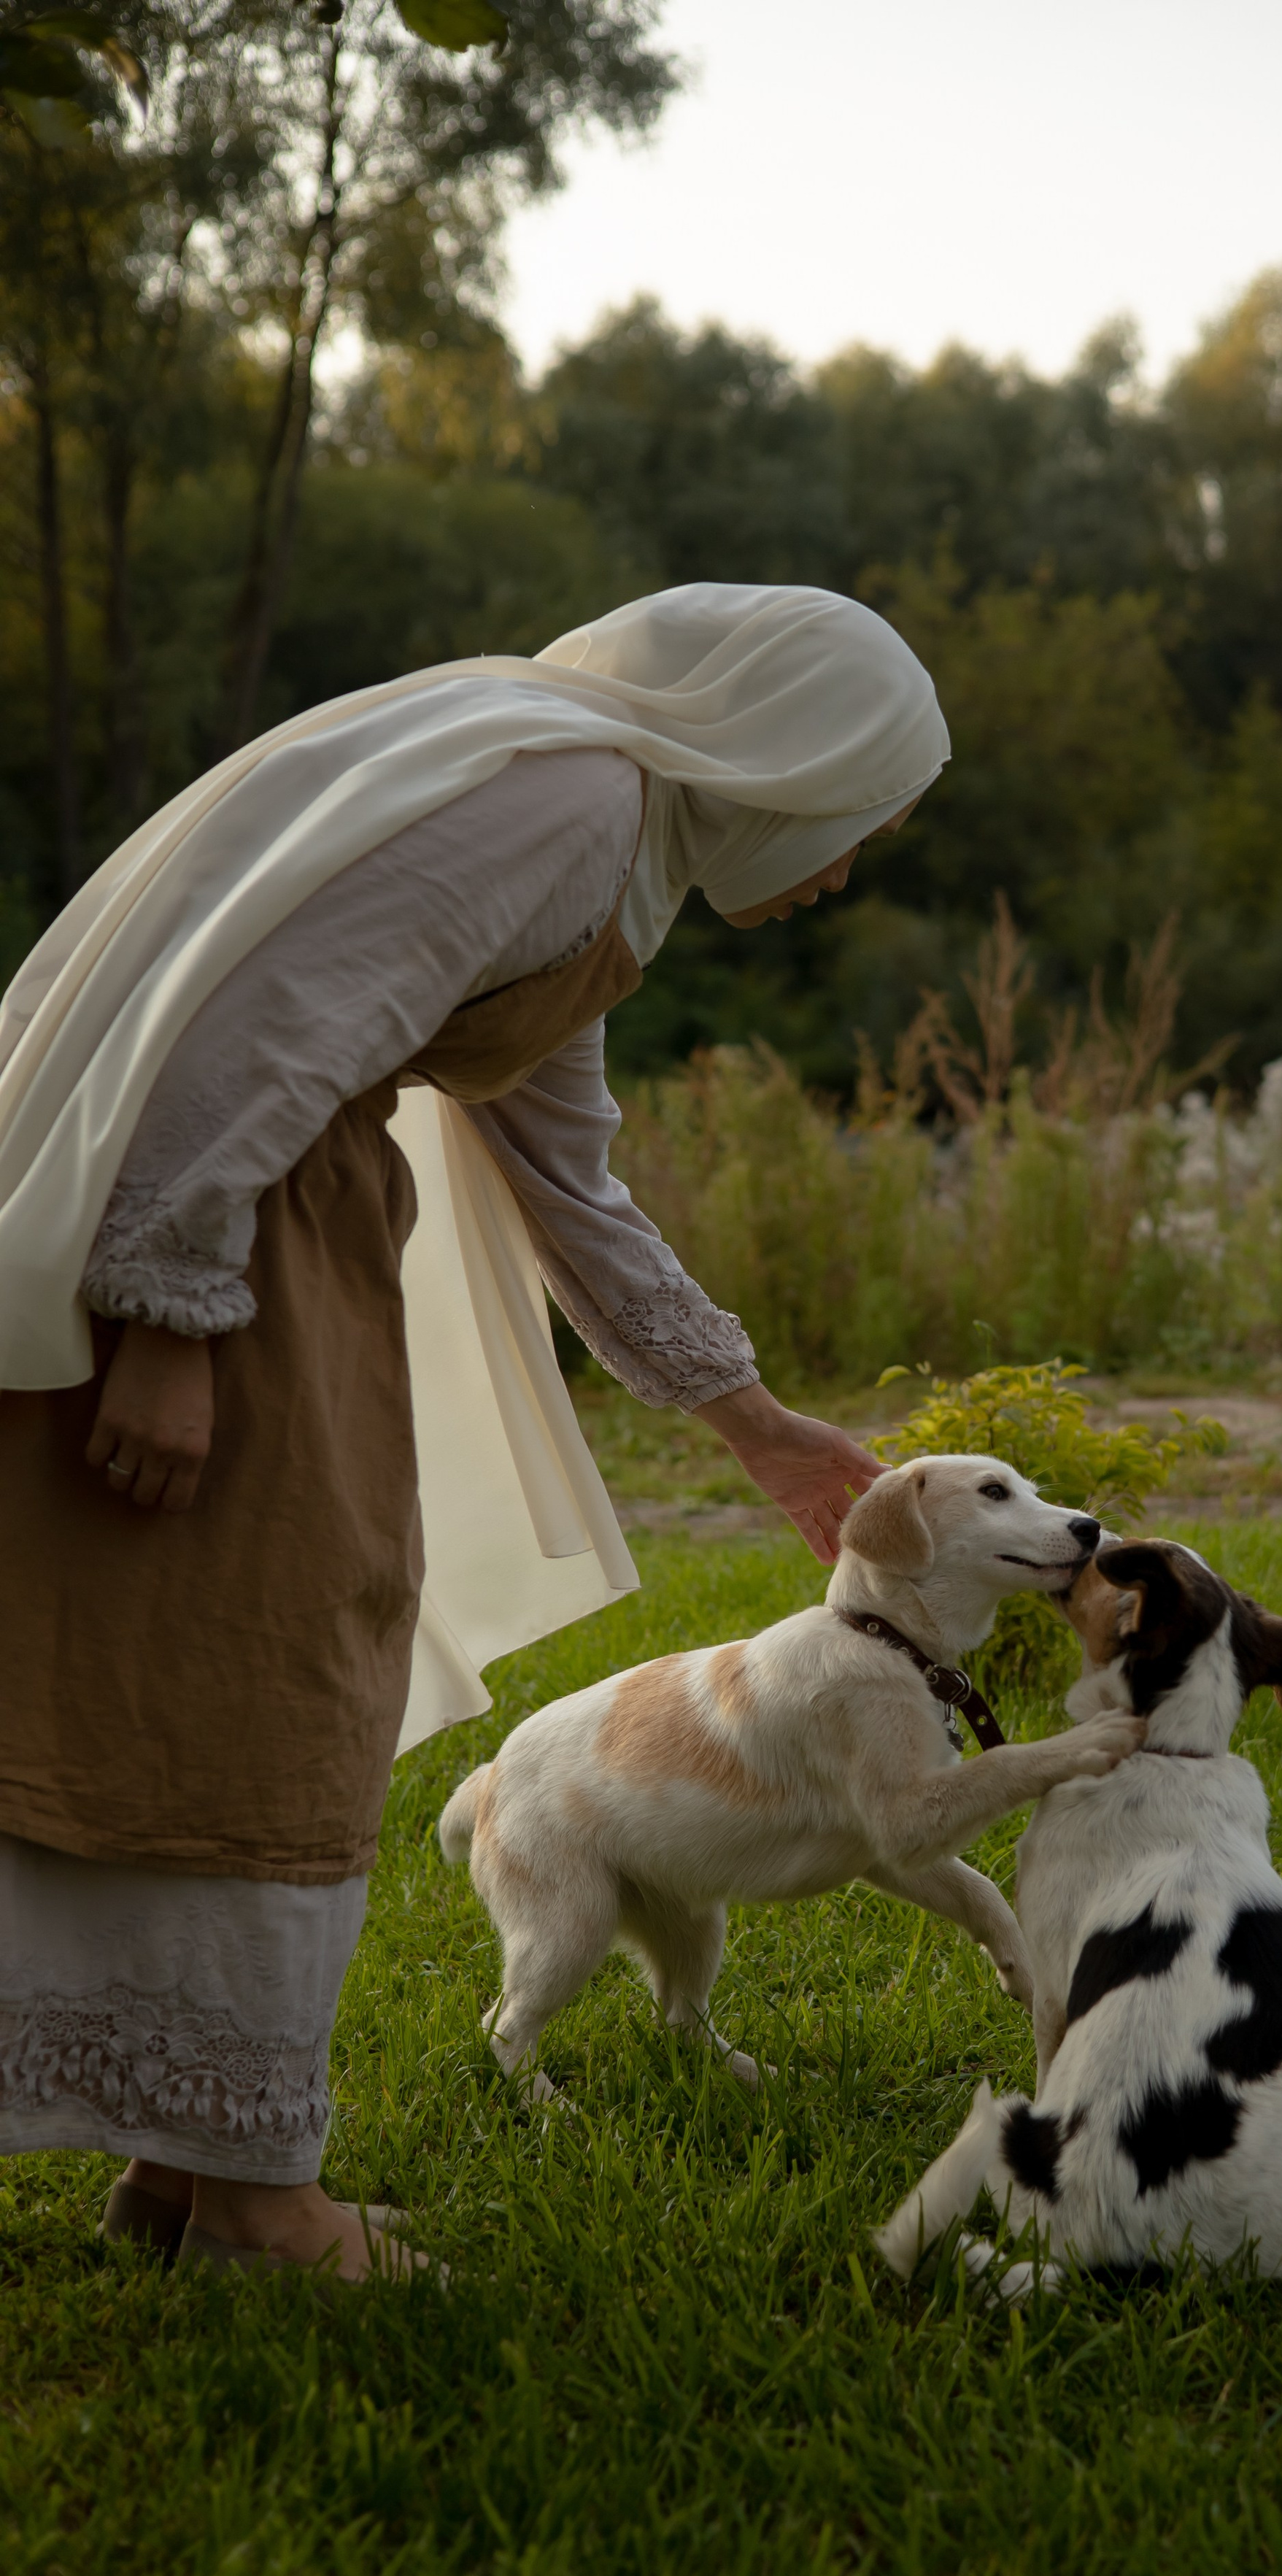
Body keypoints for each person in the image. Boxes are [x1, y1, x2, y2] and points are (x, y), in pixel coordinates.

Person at [0, 582, 947, 2283]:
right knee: (284, 1666)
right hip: (224, 1247)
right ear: (792, 751)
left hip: (269, 1242)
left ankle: (189, 2166)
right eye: (859, 811)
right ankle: (259, 2211)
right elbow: (264, 1020)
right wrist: (165, 1313)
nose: (845, 860)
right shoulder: (568, 801)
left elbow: (566, 1190)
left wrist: (757, 1429)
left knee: (215, 1676)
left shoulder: (608, 845)